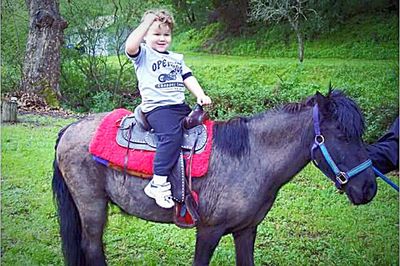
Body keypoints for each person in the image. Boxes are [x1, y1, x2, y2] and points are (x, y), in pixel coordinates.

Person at [125, 9, 212, 208]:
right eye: (156, 34)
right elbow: (131, 45)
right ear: (146, 35)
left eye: (166, 34)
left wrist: (200, 94)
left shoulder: (176, 58)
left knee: (200, 128)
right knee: (171, 137)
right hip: (157, 109)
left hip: (178, 106)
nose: (162, 38)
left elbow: (187, 77)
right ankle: (158, 182)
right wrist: (146, 22)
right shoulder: (143, 55)